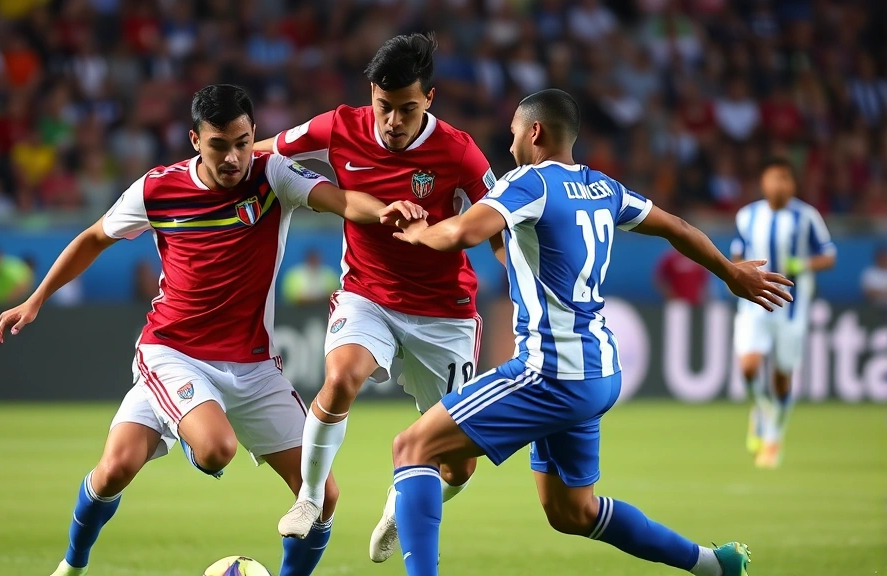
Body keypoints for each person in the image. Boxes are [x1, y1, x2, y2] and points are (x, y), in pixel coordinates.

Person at [0, 85, 425, 576]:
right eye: (219, 145)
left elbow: (340, 199)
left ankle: (188, 425)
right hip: (173, 353)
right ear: (196, 140)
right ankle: (71, 568)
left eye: (242, 143)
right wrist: (35, 299)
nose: (233, 157)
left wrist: (383, 210)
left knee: (322, 496)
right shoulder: (157, 189)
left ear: (254, 134)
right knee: (201, 452)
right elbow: (94, 237)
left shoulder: (273, 175)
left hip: (254, 366)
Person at [386, 89, 794, 576]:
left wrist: (419, 232)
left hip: (548, 372)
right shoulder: (604, 188)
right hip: (596, 372)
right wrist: (730, 272)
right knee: (572, 512)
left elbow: (460, 233)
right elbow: (678, 227)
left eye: (515, 132)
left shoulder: (529, 182)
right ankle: (714, 565)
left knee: (412, 447)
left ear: (535, 132)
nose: (510, 143)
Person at [254, 33, 501, 561]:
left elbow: (499, 224)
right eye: (384, 106)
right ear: (371, 93)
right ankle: (310, 497)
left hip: (444, 312)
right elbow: (262, 153)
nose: (393, 121)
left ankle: (399, 504)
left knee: (458, 465)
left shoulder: (459, 151)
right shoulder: (338, 127)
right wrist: (201, 170)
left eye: (407, 109)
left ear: (429, 99)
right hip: (368, 295)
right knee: (341, 377)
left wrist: (524, 283)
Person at [730, 158, 835, 468]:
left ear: (794, 184)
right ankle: (761, 411)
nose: (782, 184)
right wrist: (736, 273)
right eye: (776, 178)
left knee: (782, 375)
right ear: (764, 183)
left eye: (787, 178)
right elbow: (737, 254)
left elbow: (828, 255)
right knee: (748, 367)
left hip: (791, 306)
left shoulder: (807, 216)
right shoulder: (747, 215)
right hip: (754, 303)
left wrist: (802, 265)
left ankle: (774, 436)